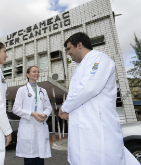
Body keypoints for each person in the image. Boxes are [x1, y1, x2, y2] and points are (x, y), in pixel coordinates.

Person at [59, 32, 139, 165]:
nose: (68, 53)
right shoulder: (82, 66)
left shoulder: (98, 59)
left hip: (98, 131)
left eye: (69, 49)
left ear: (79, 45)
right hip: (86, 133)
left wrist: (65, 107)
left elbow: (89, 88)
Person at [12, 66, 52, 165]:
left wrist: (44, 114)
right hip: (28, 126)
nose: (37, 73)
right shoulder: (22, 90)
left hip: (40, 126)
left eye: (38, 72)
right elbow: (15, 109)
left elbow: (48, 108)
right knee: (29, 160)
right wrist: (31, 114)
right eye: (34, 71)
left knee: (40, 159)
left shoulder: (43, 91)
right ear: (28, 74)